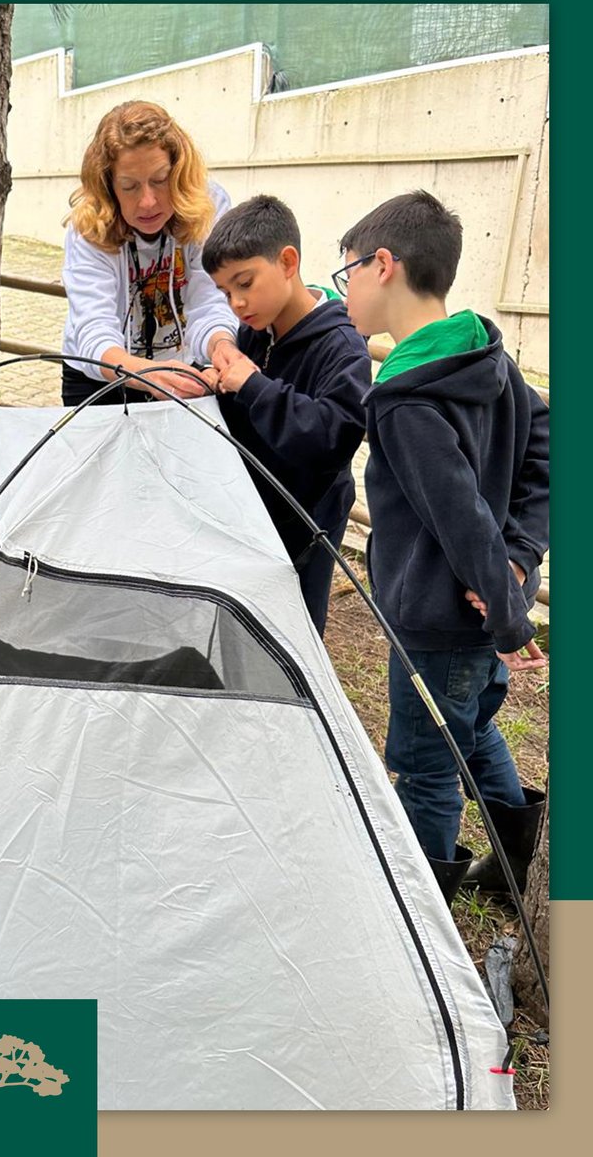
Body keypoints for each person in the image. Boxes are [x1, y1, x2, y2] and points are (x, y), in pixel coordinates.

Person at [337, 189, 549, 903]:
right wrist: (517, 566)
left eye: (348, 274)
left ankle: (422, 908)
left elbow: (458, 516)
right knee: (473, 723)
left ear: (384, 265)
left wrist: (509, 608)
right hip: (479, 611)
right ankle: (518, 855)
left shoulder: (406, 399)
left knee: (424, 760)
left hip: (438, 620)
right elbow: (546, 441)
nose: (346, 291)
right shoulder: (481, 351)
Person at [201, 195, 370, 636]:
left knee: (293, 633)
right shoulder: (256, 330)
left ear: (288, 261)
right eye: (225, 292)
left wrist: (254, 387)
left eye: (245, 282)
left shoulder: (342, 346)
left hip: (308, 523)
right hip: (252, 512)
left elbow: (332, 438)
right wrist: (216, 386)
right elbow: (244, 409)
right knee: (241, 624)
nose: (236, 303)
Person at [60, 101, 243, 406]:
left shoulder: (209, 205)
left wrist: (221, 344)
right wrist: (147, 373)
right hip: (99, 379)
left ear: (179, 171)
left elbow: (210, 301)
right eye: (129, 186)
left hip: (181, 368)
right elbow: (94, 332)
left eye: (160, 181)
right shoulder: (89, 225)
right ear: (108, 187)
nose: (148, 202)